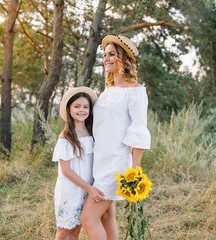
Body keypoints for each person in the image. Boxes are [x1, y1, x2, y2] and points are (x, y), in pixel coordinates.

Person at [81, 35, 151, 240]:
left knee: (88, 218)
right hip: (100, 161)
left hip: (116, 164)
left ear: (123, 58)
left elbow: (139, 129)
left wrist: (135, 169)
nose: (106, 59)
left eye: (112, 54)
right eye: (105, 55)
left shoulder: (135, 91)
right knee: (106, 216)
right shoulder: (108, 91)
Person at [52, 86, 105, 240]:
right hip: (70, 190)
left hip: (86, 190)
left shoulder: (91, 133)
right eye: (77, 106)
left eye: (85, 107)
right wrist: (90, 188)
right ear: (69, 109)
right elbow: (66, 171)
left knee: (76, 231)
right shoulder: (66, 136)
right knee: (63, 232)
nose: (82, 110)